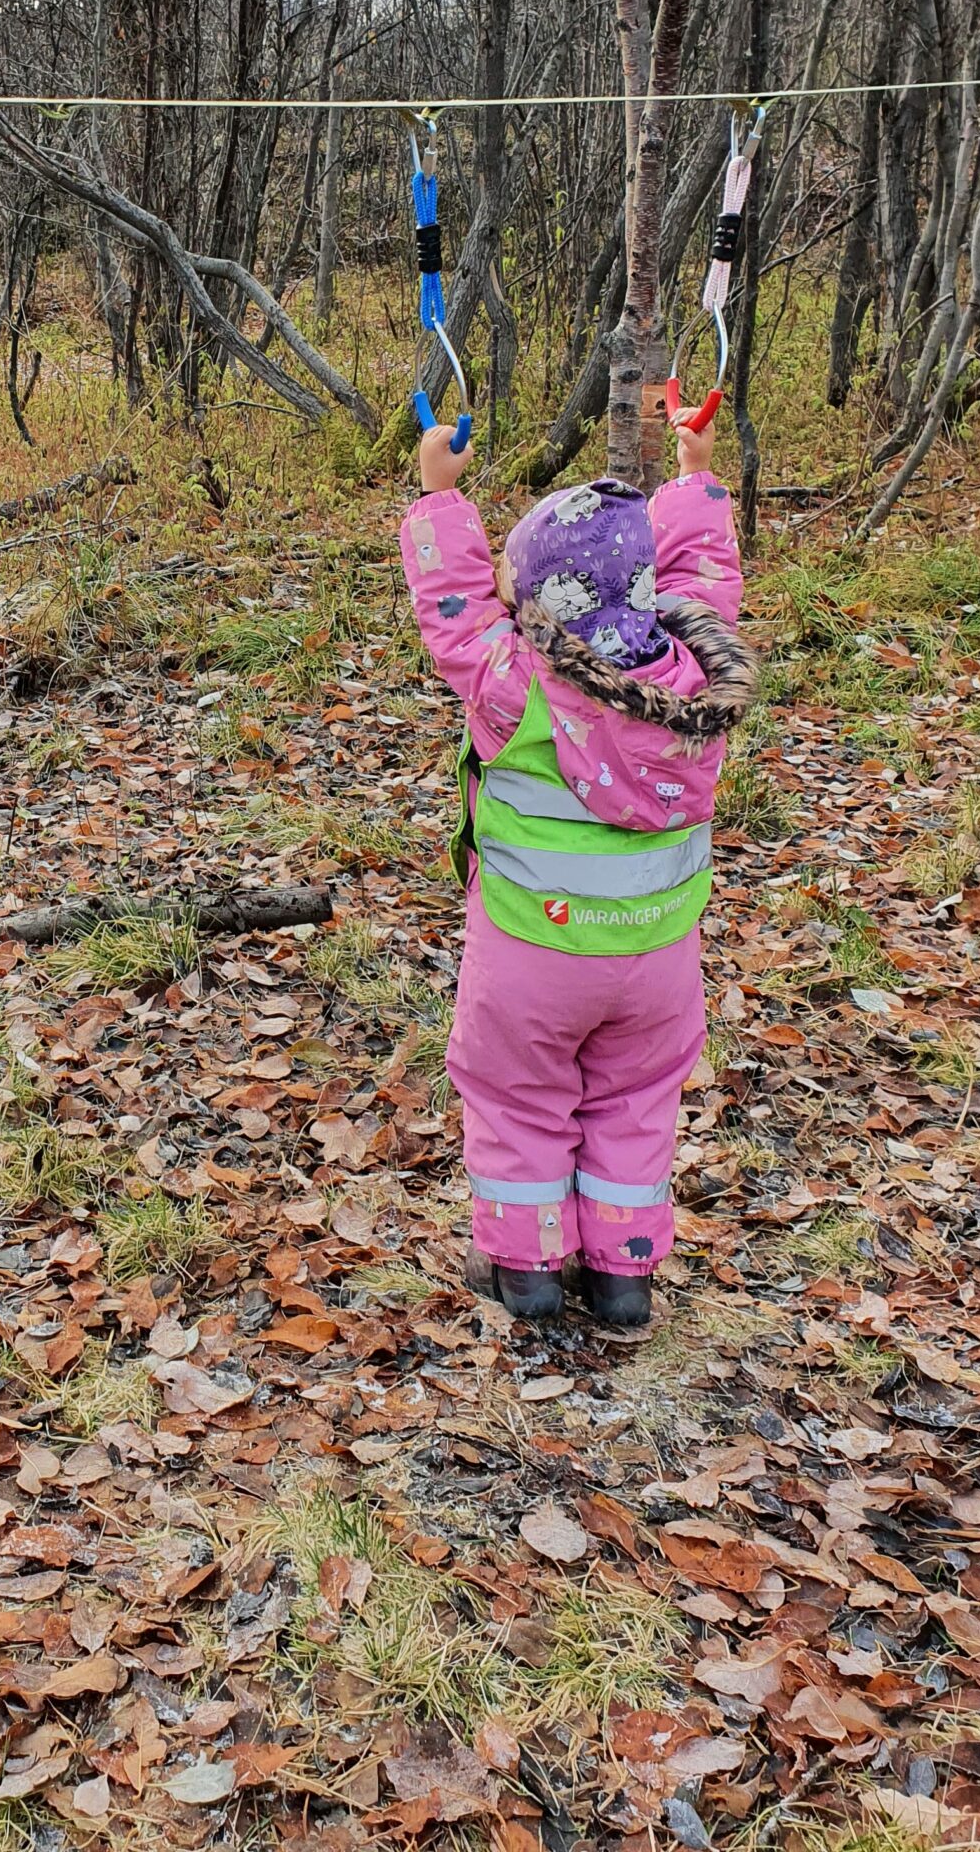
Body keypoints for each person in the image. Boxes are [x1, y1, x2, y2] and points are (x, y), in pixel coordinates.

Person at [399, 413, 756, 1330]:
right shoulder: (695, 681)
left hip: (532, 948)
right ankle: (625, 1277)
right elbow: (704, 580)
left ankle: (527, 1271)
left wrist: (441, 497)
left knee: (520, 1098)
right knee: (635, 1104)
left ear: (542, 597)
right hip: (658, 957)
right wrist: (695, 476)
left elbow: (454, 611)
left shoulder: (515, 684)